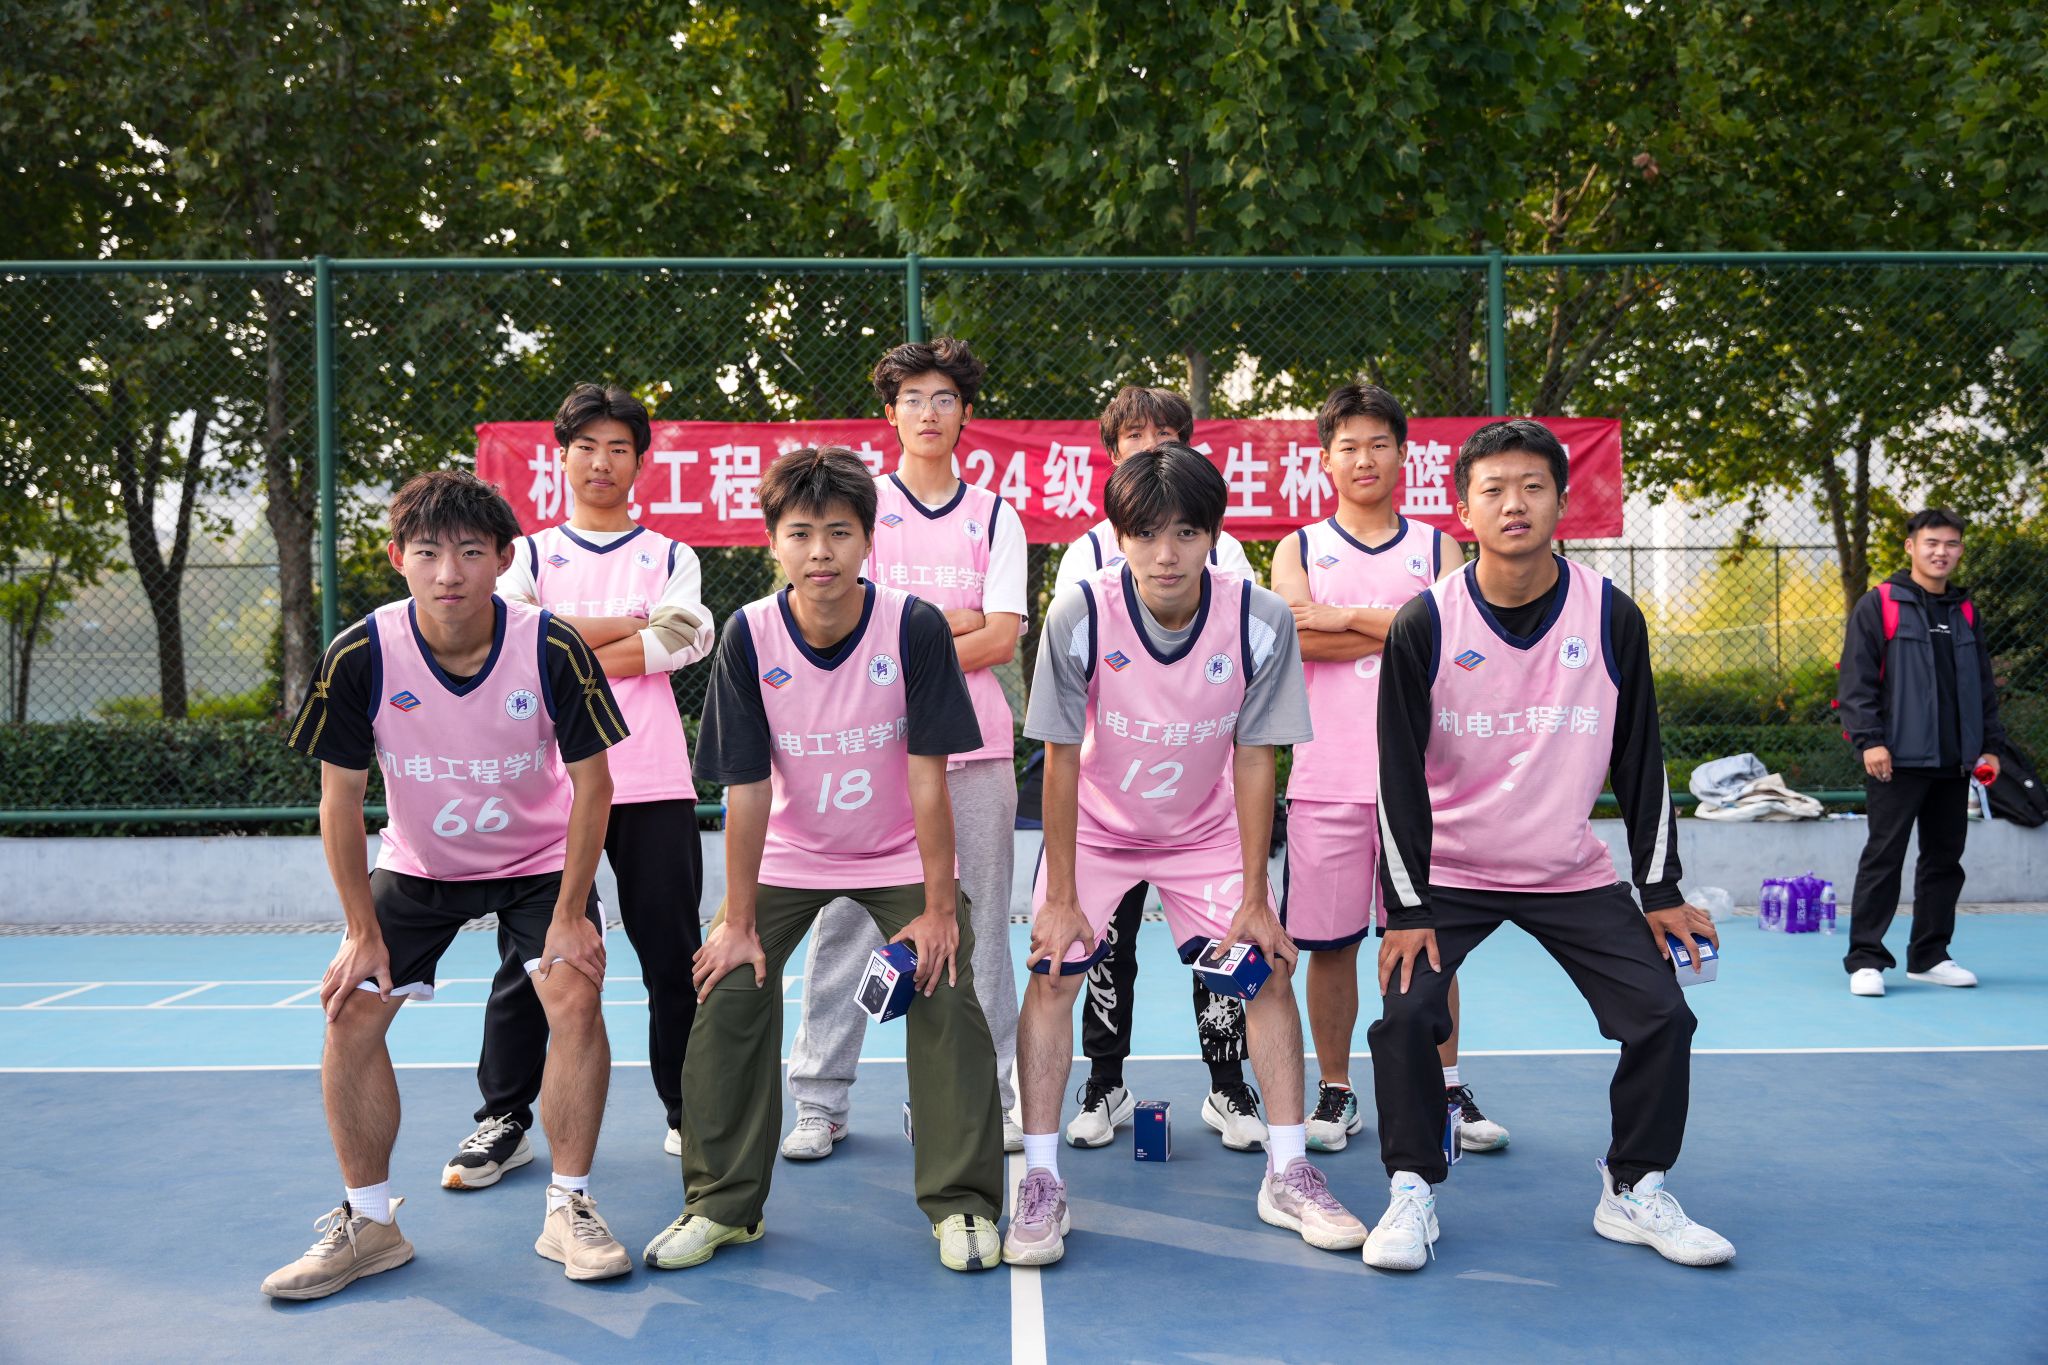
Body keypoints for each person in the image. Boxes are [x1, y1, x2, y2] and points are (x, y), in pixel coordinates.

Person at [1363, 420, 1734, 1272]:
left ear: (1562, 502)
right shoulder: (1425, 622)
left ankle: (1633, 1186)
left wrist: (1660, 889)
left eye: (1533, 486)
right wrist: (1407, 907)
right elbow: (1396, 776)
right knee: (1408, 1014)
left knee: (1663, 1014)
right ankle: (1412, 1189)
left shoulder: (1610, 614)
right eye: (1493, 489)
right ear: (1463, 510)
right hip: (1452, 872)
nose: (1514, 504)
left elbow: (1641, 758)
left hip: (1567, 869)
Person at [263, 471, 631, 1300]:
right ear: (398, 558)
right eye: (428, 552)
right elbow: (340, 799)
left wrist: (570, 913)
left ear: (505, 557)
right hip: (420, 865)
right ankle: (370, 1223)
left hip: (538, 862)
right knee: (350, 1012)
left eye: (469, 551)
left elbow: (594, 785)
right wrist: (360, 929)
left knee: (574, 994)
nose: (449, 572)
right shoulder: (361, 652)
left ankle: (569, 1207)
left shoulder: (551, 646)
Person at [643, 447, 1006, 1274]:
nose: (820, 552)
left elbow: (929, 777)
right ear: (773, 541)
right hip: (791, 853)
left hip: (896, 851)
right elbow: (745, 788)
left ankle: (961, 1201)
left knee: (947, 978)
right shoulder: (750, 633)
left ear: (868, 540)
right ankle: (723, 1203)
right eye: (801, 533)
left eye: (839, 532)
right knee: (727, 982)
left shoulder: (912, 626)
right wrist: (738, 921)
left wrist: (939, 908)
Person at [1005, 443, 1366, 1267]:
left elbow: (1255, 755)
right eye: (1145, 533)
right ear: (1118, 536)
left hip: (1203, 831)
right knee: (1055, 971)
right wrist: (1059, 895)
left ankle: (1288, 1170)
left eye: (1186, 533)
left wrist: (1255, 894)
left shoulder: (1259, 618)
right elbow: (1059, 757)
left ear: (1214, 536)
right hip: (1098, 827)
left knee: (1264, 970)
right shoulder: (1080, 614)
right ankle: (1042, 1178)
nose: (1165, 553)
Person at [447, 384, 716, 1189]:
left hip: (652, 780)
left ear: (639, 461)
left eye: (619, 448)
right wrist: (632, 627)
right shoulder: (525, 555)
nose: (602, 462)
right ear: (560, 457)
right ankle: (504, 1118)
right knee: (530, 958)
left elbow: (683, 638)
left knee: (672, 954)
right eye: (587, 447)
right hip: (550, 789)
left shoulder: (670, 554)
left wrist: (561, 640)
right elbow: (510, 638)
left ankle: (688, 1110)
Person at [784, 339, 1027, 1160]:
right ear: (889, 413)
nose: (929, 412)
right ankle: (820, 1098)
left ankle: (985, 1094)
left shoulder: (995, 514)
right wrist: (949, 624)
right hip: (870, 752)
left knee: (980, 927)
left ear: (966, 413)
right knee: (847, 921)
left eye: (945, 397)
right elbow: (843, 625)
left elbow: (999, 638)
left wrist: (908, 636)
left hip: (976, 751)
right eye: (913, 398)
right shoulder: (860, 507)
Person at [1269, 382, 1507, 1156]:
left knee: (1430, 941)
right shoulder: (1298, 546)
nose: (1364, 458)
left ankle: (1447, 1085)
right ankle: (1337, 1090)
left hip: (1423, 783)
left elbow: (1448, 641)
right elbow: (1297, 638)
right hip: (1326, 780)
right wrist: (1397, 623)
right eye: (1348, 445)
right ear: (1326, 459)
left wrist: (1342, 616)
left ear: (1404, 454)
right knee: (1330, 945)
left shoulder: (1438, 548)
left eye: (1378, 443)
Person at [1052, 386, 1266, 1152]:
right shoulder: (1088, 554)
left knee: (1224, 952)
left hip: (1197, 798)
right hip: (1111, 799)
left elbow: (1250, 657)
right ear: (1112, 453)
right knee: (1103, 949)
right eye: (1135, 435)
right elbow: (1069, 676)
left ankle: (1227, 1084)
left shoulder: (1222, 549)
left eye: (1166, 434)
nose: (1151, 446)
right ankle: (1105, 1081)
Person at [1837, 508, 2003, 996]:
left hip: (1956, 762)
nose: (1941, 552)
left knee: (1944, 862)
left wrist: (1990, 748)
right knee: (1883, 858)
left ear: (1960, 550)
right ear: (1911, 547)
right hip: (1896, 761)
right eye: (1932, 543)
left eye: (1951, 544)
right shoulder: (1880, 603)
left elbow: (1984, 689)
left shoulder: (1965, 611)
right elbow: (1856, 681)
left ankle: (1930, 956)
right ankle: (1865, 959)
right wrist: (1870, 740)